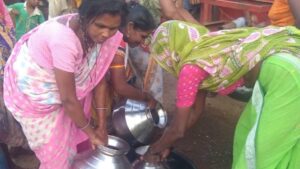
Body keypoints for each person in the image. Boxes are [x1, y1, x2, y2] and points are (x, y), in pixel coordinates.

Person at [143, 20, 300, 169]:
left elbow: (178, 129)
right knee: (245, 133)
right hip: (274, 67)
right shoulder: (202, 54)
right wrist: (167, 144)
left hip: (287, 74)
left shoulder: (190, 69)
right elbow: (196, 112)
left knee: (261, 151)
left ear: (170, 52)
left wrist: (152, 150)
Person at [3, 0, 128, 168]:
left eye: (113, 28)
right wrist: (92, 133)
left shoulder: (97, 37)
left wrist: (101, 126)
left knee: (79, 142)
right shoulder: (63, 40)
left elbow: (97, 80)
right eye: (100, 26)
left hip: (68, 91)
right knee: (56, 159)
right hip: (38, 98)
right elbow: (69, 99)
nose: (106, 34)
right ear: (84, 18)